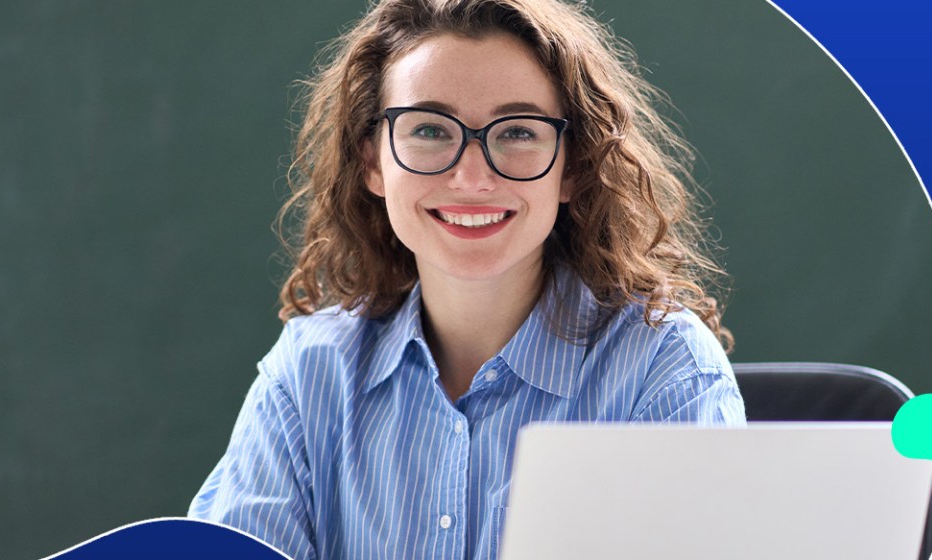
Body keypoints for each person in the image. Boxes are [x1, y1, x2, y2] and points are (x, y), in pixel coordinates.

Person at [189, 1, 743, 558]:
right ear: (373, 164)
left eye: (518, 132)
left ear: (573, 167)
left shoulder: (663, 370)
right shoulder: (307, 377)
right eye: (429, 129)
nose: (472, 178)